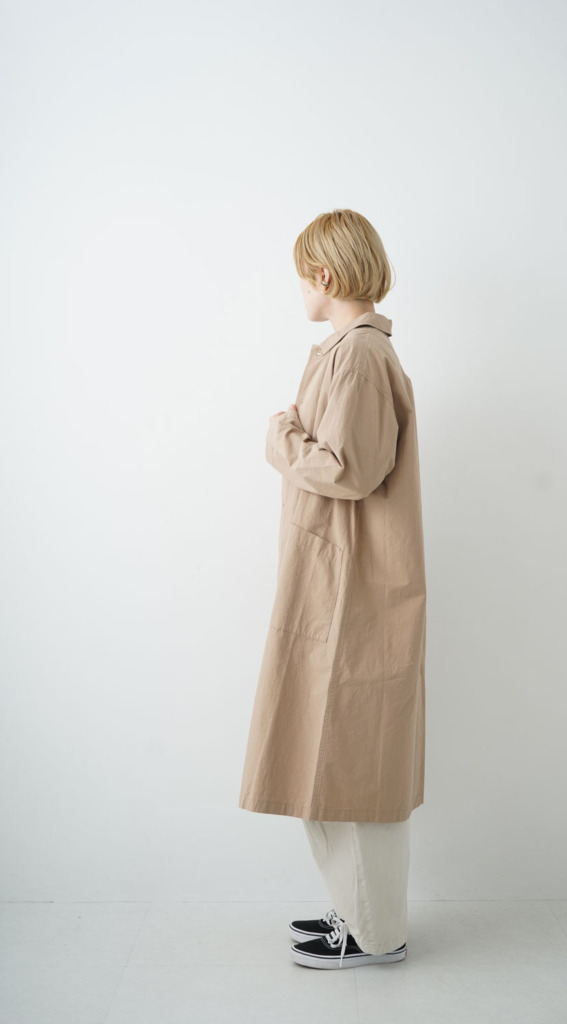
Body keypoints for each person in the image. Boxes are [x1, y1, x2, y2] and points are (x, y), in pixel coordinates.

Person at [238, 208, 427, 969]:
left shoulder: (358, 356)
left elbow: (351, 469)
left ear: (323, 274)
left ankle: (375, 933)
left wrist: (280, 436)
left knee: (354, 759)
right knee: (340, 755)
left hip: (353, 585)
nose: (300, 290)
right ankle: (360, 911)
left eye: (301, 275)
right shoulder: (354, 352)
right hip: (337, 580)